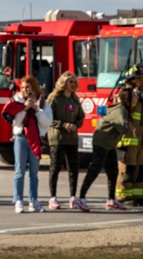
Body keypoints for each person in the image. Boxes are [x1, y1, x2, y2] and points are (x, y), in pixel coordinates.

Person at [4, 75, 51, 213]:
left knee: (34, 173)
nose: (25, 90)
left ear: (33, 88)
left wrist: (37, 110)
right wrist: (24, 109)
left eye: (28, 87)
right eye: (23, 88)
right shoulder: (17, 101)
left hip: (36, 140)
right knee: (19, 171)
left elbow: (47, 123)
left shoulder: (42, 102)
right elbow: (15, 122)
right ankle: (18, 200)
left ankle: (33, 200)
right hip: (21, 138)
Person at [115, 63, 143, 207]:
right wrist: (134, 95)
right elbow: (125, 110)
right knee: (127, 171)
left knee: (141, 171)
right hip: (129, 141)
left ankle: (138, 196)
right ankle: (123, 196)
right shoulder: (124, 94)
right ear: (132, 80)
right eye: (140, 78)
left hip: (142, 141)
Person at [45, 71, 87, 211]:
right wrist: (63, 125)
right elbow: (48, 118)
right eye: (71, 82)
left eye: (75, 82)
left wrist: (76, 124)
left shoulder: (75, 100)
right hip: (57, 138)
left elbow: (81, 117)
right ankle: (52, 198)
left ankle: (73, 197)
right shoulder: (54, 99)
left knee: (73, 168)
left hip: (72, 139)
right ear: (63, 83)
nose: (73, 85)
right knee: (55, 167)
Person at [78, 96, 129, 211]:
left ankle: (111, 201)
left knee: (113, 172)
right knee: (94, 170)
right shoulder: (120, 110)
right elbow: (123, 128)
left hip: (109, 144)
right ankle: (81, 198)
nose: (137, 97)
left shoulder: (122, 109)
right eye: (134, 96)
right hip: (102, 143)